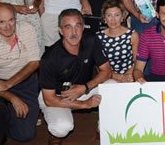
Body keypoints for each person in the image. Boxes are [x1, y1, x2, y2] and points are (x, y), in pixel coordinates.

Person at [38, 9, 113, 144]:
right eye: (68, 27)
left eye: (77, 26)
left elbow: (107, 71)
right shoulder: (49, 58)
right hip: (57, 97)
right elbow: (49, 99)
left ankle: (102, 128)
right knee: (62, 127)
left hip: (83, 89)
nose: (74, 32)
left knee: (114, 87)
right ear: (60, 30)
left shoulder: (91, 40)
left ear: (83, 27)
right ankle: (55, 137)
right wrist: (85, 104)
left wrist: (84, 88)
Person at [0, 4, 40, 145]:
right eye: (1, 22)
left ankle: (7, 115)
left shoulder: (27, 29)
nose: (8, 26)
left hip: (25, 81)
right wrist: (12, 98)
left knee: (25, 136)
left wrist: (9, 84)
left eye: (11, 20)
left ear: (16, 18)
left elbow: (34, 63)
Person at [97, 0, 138, 82]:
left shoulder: (132, 35)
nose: (113, 19)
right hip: (108, 77)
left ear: (122, 17)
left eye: (116, 15)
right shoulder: (98, 38)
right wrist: (119, 77)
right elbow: (98, 67)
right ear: (104, 18)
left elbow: (137, 61)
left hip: (130, 75)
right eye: (109, 15)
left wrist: (127, 76)